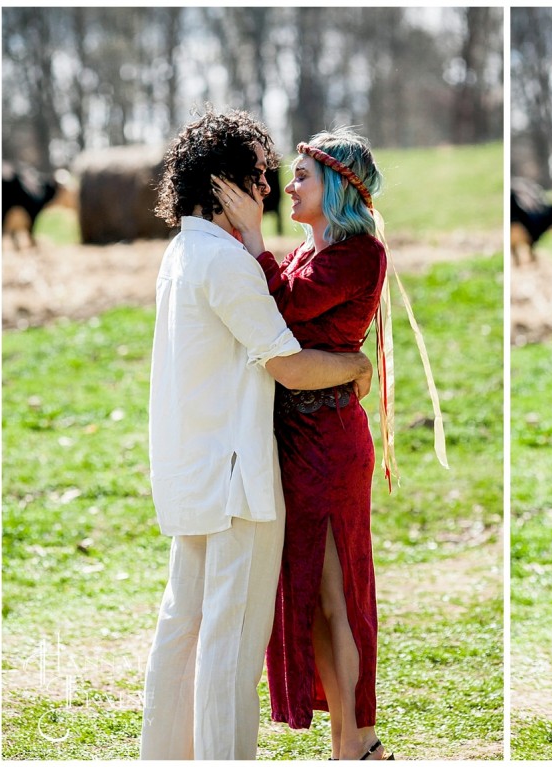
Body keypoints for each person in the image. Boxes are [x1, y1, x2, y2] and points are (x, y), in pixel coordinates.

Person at [141, 109, 373, 760]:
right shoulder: (225, 261)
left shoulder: (181, 252)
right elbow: (291, 365)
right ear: (222, 184)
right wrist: (357, 366)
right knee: (231, 640)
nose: (267, 191)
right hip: (236, 481)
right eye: (256, 178)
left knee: (183, 625)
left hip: (192, 467)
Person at [216, 128, 394, 760]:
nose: (289, 188)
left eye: (301, 178)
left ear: (339, 187)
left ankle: (359, 742)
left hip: (329, 437)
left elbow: (282, 309)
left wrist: (253, 238)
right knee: (313, 592)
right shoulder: (307, 250)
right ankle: (351, 739)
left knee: (336, 589)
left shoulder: (359, 254)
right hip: (293, 436)